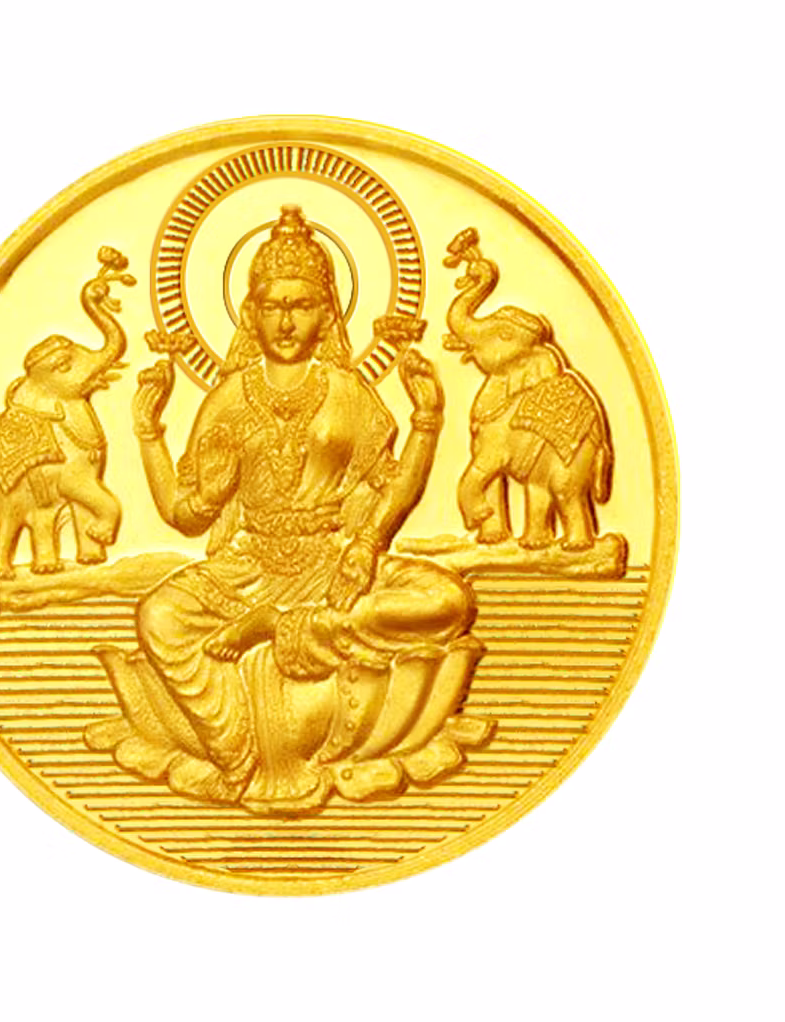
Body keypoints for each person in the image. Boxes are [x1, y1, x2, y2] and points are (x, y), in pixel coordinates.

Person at [86, 206, 489, 813]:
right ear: (250, 312)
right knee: (157, 615)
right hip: (246, 569)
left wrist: (426, 423)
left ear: (327, 314)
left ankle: (285, 628)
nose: (286, 320)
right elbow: (185, 514)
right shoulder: (228, 399)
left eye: (301, 305)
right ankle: (235, 747)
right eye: (273, 305)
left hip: (333, 563)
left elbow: (391, 489)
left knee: (448, 599)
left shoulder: (349, 393)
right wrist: (148, 432)